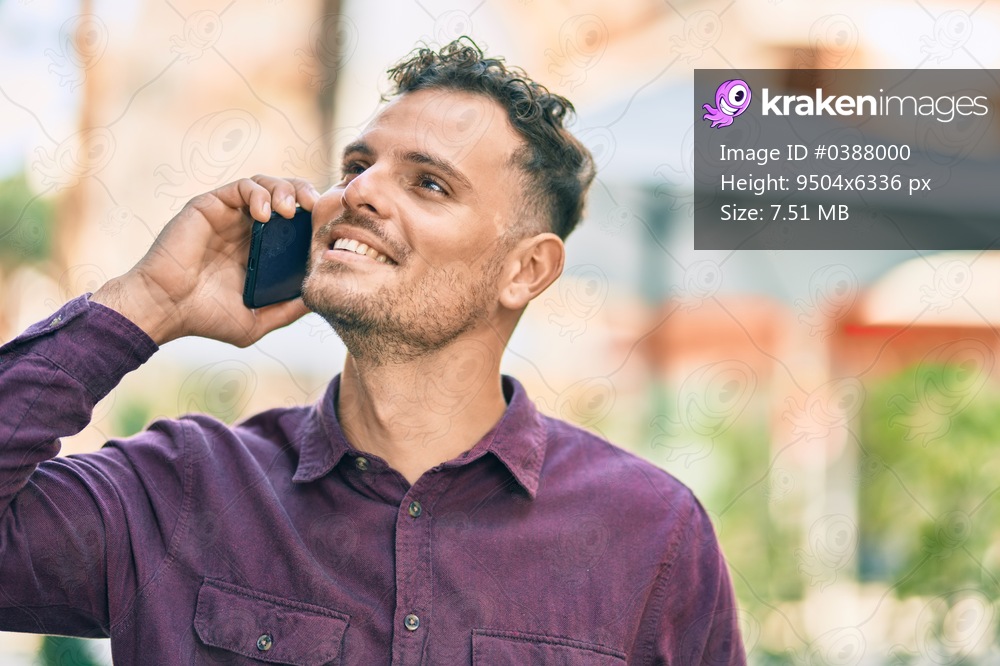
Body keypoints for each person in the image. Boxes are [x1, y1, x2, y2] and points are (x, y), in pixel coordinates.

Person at [0, 39, 746, 664]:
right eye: (358, 165)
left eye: (428, 183)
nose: (359, 193)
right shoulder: (181, 487)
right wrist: (147, 303)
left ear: (525, 270)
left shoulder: (651, 535)